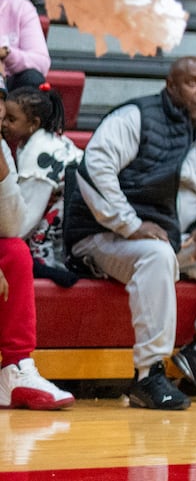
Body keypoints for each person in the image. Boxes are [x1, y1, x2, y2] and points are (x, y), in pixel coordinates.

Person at [62, 58, 196, 409]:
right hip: (105, 239)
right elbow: (93, 170)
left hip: (173, 242)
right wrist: (130, 224)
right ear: (171, 86)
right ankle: (148, 375)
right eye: (193, 83)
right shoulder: (135, 118)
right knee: (156, 254)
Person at [0, 86, 78, 411]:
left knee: (15, 253)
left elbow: (12, 226)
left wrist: (1, 173)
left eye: (3, 116)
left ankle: (14, 369)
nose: (1, 124)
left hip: (68, 238)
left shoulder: (6, 151)